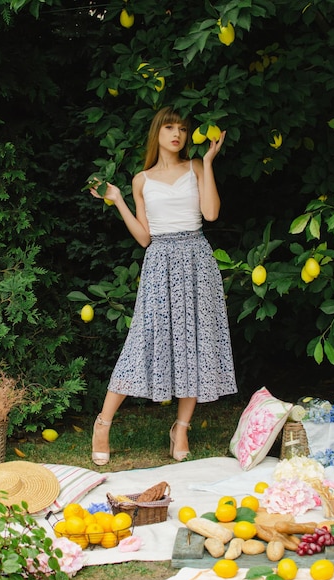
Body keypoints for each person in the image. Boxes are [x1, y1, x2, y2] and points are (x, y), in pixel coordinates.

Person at [90, 105, 237, 465]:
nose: (177, 134)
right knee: (142, 340)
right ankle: (103, 423)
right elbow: (144, 238)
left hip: (197, 258)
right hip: (160, 261)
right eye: (170, 128)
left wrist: (210, 163)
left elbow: (212, 214)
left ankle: (181, 428)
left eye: (183, 129)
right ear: (157, 133)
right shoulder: (141, 180)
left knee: (195, 343)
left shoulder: (196, 167)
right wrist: (118, 200)